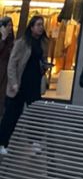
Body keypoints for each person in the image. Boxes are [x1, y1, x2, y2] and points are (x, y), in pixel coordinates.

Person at [0, 14, 49, 154]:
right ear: (31, 27)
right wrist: (13, 82)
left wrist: (45, 66)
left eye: (42, 24)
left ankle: (34, 142)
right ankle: (3, 142)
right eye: (38, 25)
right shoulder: (22, 42)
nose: (41, 27)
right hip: (21, 83)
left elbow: (41, 59)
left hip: (34, 83)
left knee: (36, 114)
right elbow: (12, 63)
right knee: (11, 115)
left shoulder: (42, 43)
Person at [0, 17, 15, 120]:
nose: (10, 28)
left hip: (7, 72)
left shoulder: (12, 40)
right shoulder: (3, 39)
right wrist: (3, 39)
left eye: (11, 25)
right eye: (8, 25)